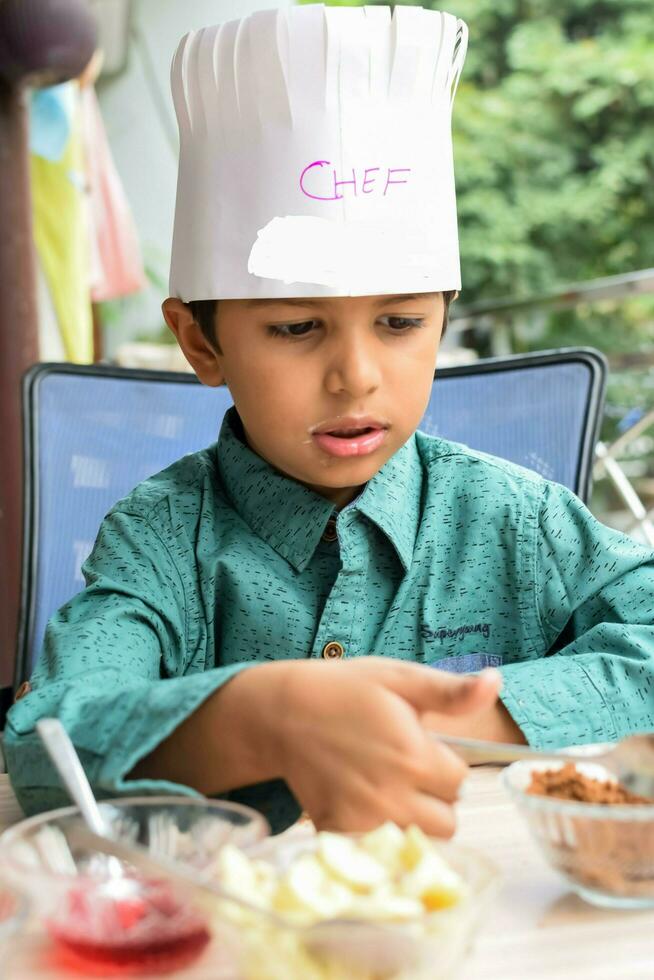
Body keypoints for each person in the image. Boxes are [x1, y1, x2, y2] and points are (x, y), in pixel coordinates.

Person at [6, 5, 654, 836]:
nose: (356, 376)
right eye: (295, 328)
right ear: (202, 342)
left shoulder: (514, 520)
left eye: (400, 323)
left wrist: (437, 722)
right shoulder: (163, 538)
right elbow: (45, 742)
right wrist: (259, 718)